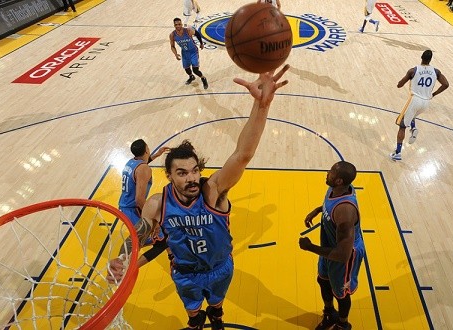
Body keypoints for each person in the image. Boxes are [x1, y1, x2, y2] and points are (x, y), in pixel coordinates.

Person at [108, 65, 290, 330]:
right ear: (170, 176)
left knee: (217, 307)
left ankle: (216, 318)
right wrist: (123, 258)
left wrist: (262, 107)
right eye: (182, 173)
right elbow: (139, 235)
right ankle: (196, 321)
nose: (191, 178)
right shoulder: (158, 204)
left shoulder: (212, 191)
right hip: (185, 274)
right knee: (193, 315)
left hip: (220, 268)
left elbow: (243, 154)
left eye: (194, 171)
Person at [298, 161, 364, 330]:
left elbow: (343, 255)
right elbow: (330, 204)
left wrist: (310, 247)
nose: (328, 173)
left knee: (341, 294)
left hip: (344, 255)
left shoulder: (345, 211)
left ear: (339, 181)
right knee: (322, 280)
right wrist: (318, 210)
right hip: (330, 247)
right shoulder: (335, 188)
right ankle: (329, 313)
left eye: (332, 172)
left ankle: (342, 324)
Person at [390, 50, 450, 161]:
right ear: (430, 60)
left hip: (414, 100)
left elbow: (399, 85)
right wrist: (434, 94)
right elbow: (446, 84)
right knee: (412, 114)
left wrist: (403, 81)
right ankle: (413, 128)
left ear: (421, 57)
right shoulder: (436, 72)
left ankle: (398, 153)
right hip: (426, 102)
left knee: (402, 125)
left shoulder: (413, 70)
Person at [170, 17, 209, 89]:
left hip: (193, 51)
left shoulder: (188, 30)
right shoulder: (172, 35)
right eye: (176, 25)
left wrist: (201, 43)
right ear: (174, 25)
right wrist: (175, 54)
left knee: (195, 70)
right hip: (184, 53)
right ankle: (191, 77)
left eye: (179, 24)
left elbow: (197, 33)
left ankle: (203, 78)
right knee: (186, 69)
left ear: (181, 24)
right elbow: (172, 46)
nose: (178, 26)